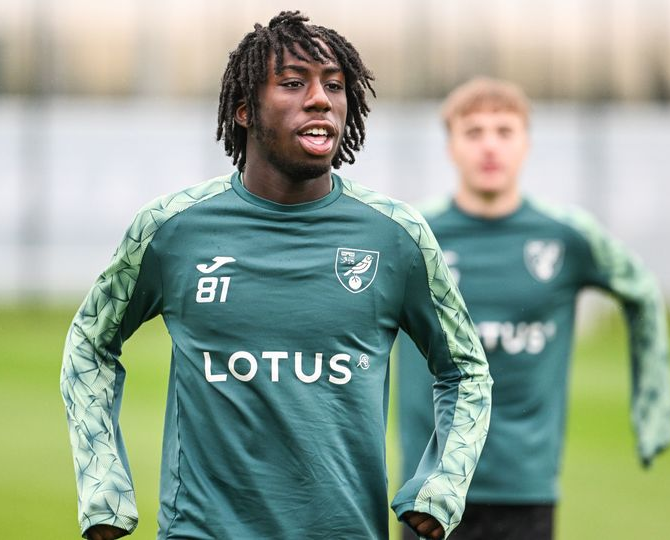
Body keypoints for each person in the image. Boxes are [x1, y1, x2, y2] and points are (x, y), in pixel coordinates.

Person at [61, 12, 492, 540]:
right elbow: (89, 343)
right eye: (293, 83)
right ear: (244, 109)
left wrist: (441, 485)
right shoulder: (171, 228)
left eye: (334, 85)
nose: (320, 100)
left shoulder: (396, 235)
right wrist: (103, 485)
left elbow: (466, 370)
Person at [397, 77, 670, 540]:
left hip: (525, 487)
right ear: (450, 147)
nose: (490, 146)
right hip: (432, 488)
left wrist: (654, 408)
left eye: (504, 131)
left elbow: (642, 289)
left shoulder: (567, 236)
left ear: (526, 144)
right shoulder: (410, 236)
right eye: (474, 132)